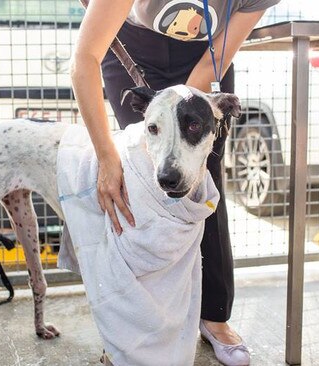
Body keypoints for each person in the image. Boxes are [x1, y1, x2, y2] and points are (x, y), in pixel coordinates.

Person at [70, 0, 279, 365]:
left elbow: (210, 66)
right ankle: (132, 325)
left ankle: (214, 314)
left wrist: (184, 137)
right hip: (132, 49)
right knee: (140, 180)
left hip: (206, 56)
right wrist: (107, 157)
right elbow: (84, 59)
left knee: (202, 184)